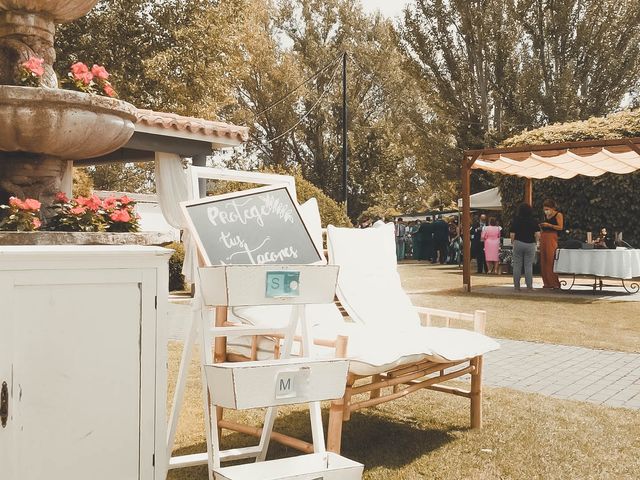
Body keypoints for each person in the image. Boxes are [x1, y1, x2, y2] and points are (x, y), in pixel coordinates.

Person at [510, 203, 540, 290]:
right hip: (530, 244)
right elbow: (537, 234)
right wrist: (536, 242)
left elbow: (512, 233)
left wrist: (513, 242)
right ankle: (529, 286)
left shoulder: (516, 220)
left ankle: (516, 287)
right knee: (528, 265)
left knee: (517, 265)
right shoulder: (533, 221)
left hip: (518, 242)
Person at [539, 199, 563, 289]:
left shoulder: (558, 214)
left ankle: (554, 282)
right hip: (544, 236)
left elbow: (560, 227)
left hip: (552, 236)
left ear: (553, 208)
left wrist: (550, 225)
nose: (546, 211)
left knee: (550, 259)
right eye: (545, 209)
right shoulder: (545, 216)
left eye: (547, 209)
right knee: (543, 259)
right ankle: (546, 282)